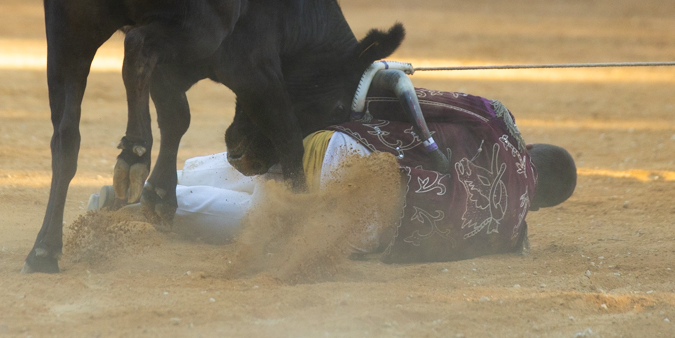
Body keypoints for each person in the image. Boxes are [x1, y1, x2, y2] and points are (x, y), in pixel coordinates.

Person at [92, 85, 577, 262]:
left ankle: (158, 184)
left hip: (360, 156)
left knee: (271, 173)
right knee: (262, 217)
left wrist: (346, 97)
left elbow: (416, 101)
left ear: (530, 148)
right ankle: (146, 207)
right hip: (367, 226)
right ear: (537, 204)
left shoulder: (500, 122)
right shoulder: (512, 232)